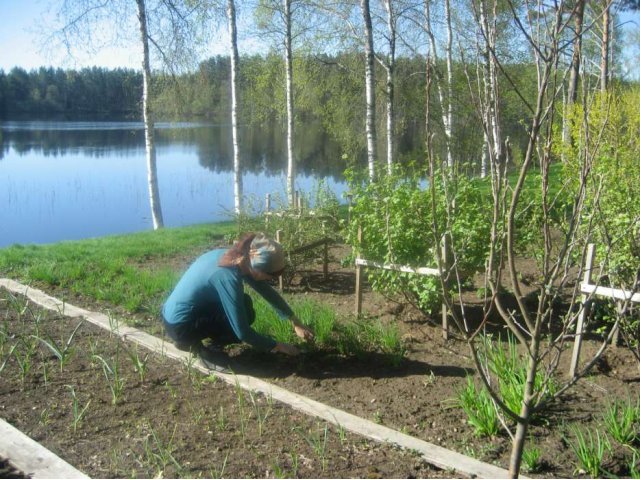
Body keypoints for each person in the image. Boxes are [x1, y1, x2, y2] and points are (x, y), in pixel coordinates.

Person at [162, 233, 314, 361]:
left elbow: (267, 292)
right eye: (270, 275)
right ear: (257, 268)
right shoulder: (227, 276)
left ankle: (189, 341)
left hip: (175, 315)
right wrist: (278, 346)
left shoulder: (236, 258)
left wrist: (295, 322)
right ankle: (206, 350)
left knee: (244, 302)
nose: (270, 279)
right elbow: (243, 332)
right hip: (181, 326)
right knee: (245, 314)